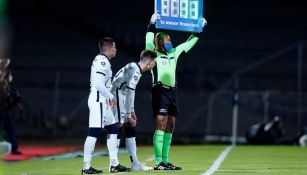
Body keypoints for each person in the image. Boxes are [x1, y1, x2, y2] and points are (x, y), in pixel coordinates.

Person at [146, 13, 207, 170]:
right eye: (167, 41)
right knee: (161, 123)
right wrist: (151, 25)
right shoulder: (154, 54)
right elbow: (148, 42)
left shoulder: (174, 52)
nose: (170, 42)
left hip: (172, 92)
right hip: (159, 90)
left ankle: (165, 161)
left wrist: (199, 29)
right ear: (159, 42)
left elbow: (188, 44)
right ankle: (158, 162)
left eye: (170, 41)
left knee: (171, 124)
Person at [82, 37, 129, 174]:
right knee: (94, 132)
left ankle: (114, 164)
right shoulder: (102, 61)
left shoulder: (103, 60)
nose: (116, 49)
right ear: (109, 49)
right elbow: (98, 84)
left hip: (102, 100)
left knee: (113, 129)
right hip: (99, 100)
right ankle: (86, 167)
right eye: (114, 47)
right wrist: (110, 96)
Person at [110, 50, 157, 171]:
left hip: (121, 94)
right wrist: (128, 114)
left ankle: (135, 163)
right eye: (154, 63)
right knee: (119, 126)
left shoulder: (134, 68)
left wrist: (131, 110)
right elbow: (130, 92)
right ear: (149, 63)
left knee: (129, 127)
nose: (154, 66)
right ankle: (113, 164)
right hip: (116, 93)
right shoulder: (135, 71)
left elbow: (130, 92)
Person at [0, 58, 22, 155]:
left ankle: (14, 147)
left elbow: (14, 95)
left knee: (10, 129)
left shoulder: (9, 86)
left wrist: (16, 104)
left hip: (7, 109)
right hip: (1, 110)